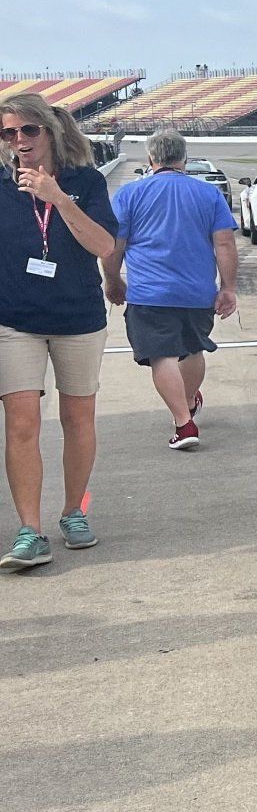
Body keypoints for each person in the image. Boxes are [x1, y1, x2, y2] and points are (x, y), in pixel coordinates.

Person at [0, 94, 118, 571]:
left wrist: (57, 198)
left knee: (77, 419)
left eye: (29, 130)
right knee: (22, 423)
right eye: (9, 133)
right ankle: (30, 529)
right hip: (15, 320)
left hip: (77, 317)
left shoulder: (85, 182)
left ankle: (74, 513)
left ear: (49, 132)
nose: (19, 141)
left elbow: (104, 244)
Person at [105, 130, 240, 450]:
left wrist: (112, 280)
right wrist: (228, 288)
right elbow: (225, 243)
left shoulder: (129, 194)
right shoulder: (209, 194)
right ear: (185, 159)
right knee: (193, 348)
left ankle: (184, 422)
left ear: (150, 159)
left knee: (161, 355)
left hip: (150, 293)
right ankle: (190, 400)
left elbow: (113, 246)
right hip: (197, 293)